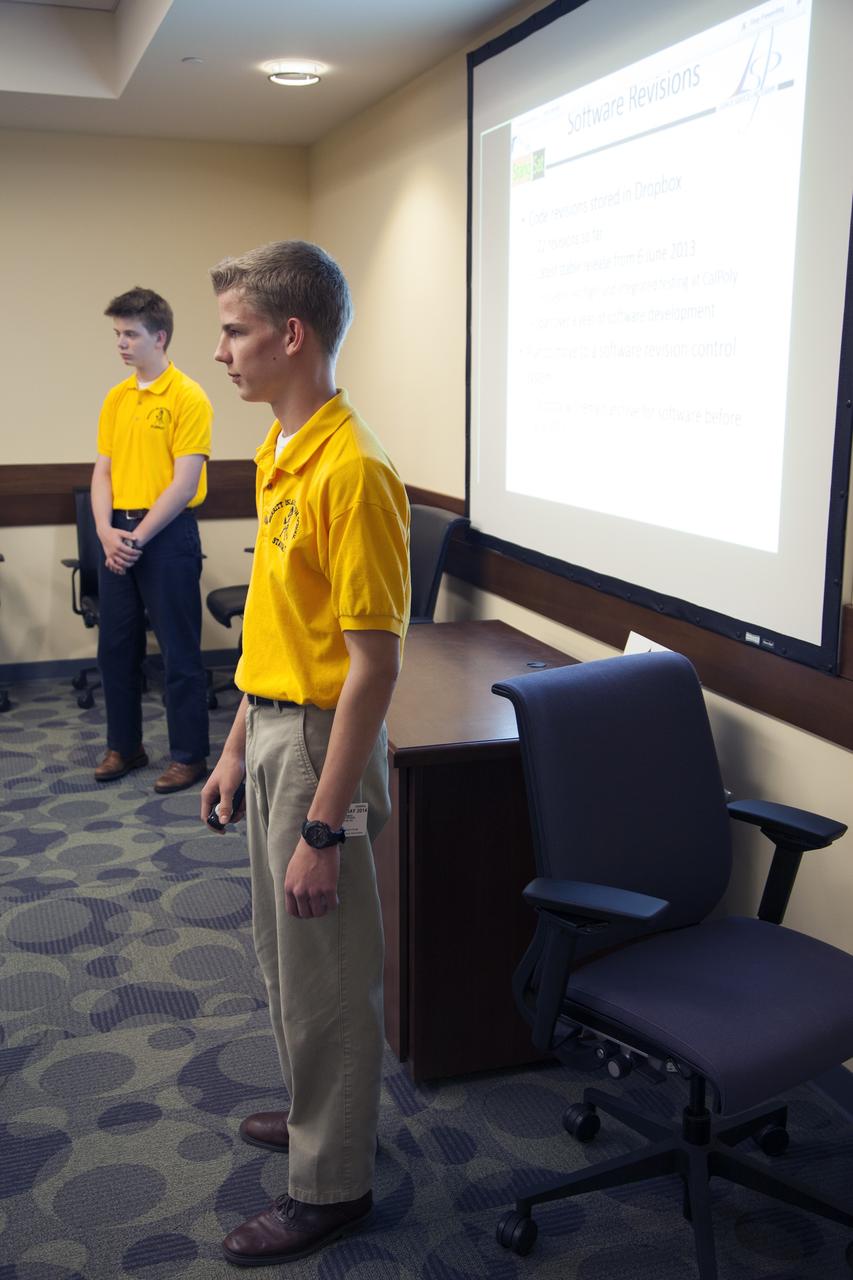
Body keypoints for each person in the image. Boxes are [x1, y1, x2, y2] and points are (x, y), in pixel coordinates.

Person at [201, 240, 410, 1266]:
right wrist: (235, 745)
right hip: (274, 724)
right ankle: (311, 1105)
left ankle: (333, 1182)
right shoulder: (279, 452)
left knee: (325, 972)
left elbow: (372, 669)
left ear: (292, 335)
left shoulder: (355, 468)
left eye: (236, 331)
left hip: (325, 741)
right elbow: (275, 630)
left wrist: (325, 826)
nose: (222, 352)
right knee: (283, 954)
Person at [91, 287, 212, 793]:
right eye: (117, 334)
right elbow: (103, 472)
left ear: (159, 336)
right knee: (115, 649)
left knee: (179, 654)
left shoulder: (188, 395)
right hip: (118, 531)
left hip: (165, 535)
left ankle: (189, 756)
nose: (120, 343)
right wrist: (104, 531)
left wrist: (136, 538)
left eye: (130, 334)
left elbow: (184, 484)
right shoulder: (117, 397)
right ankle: (126, 745)